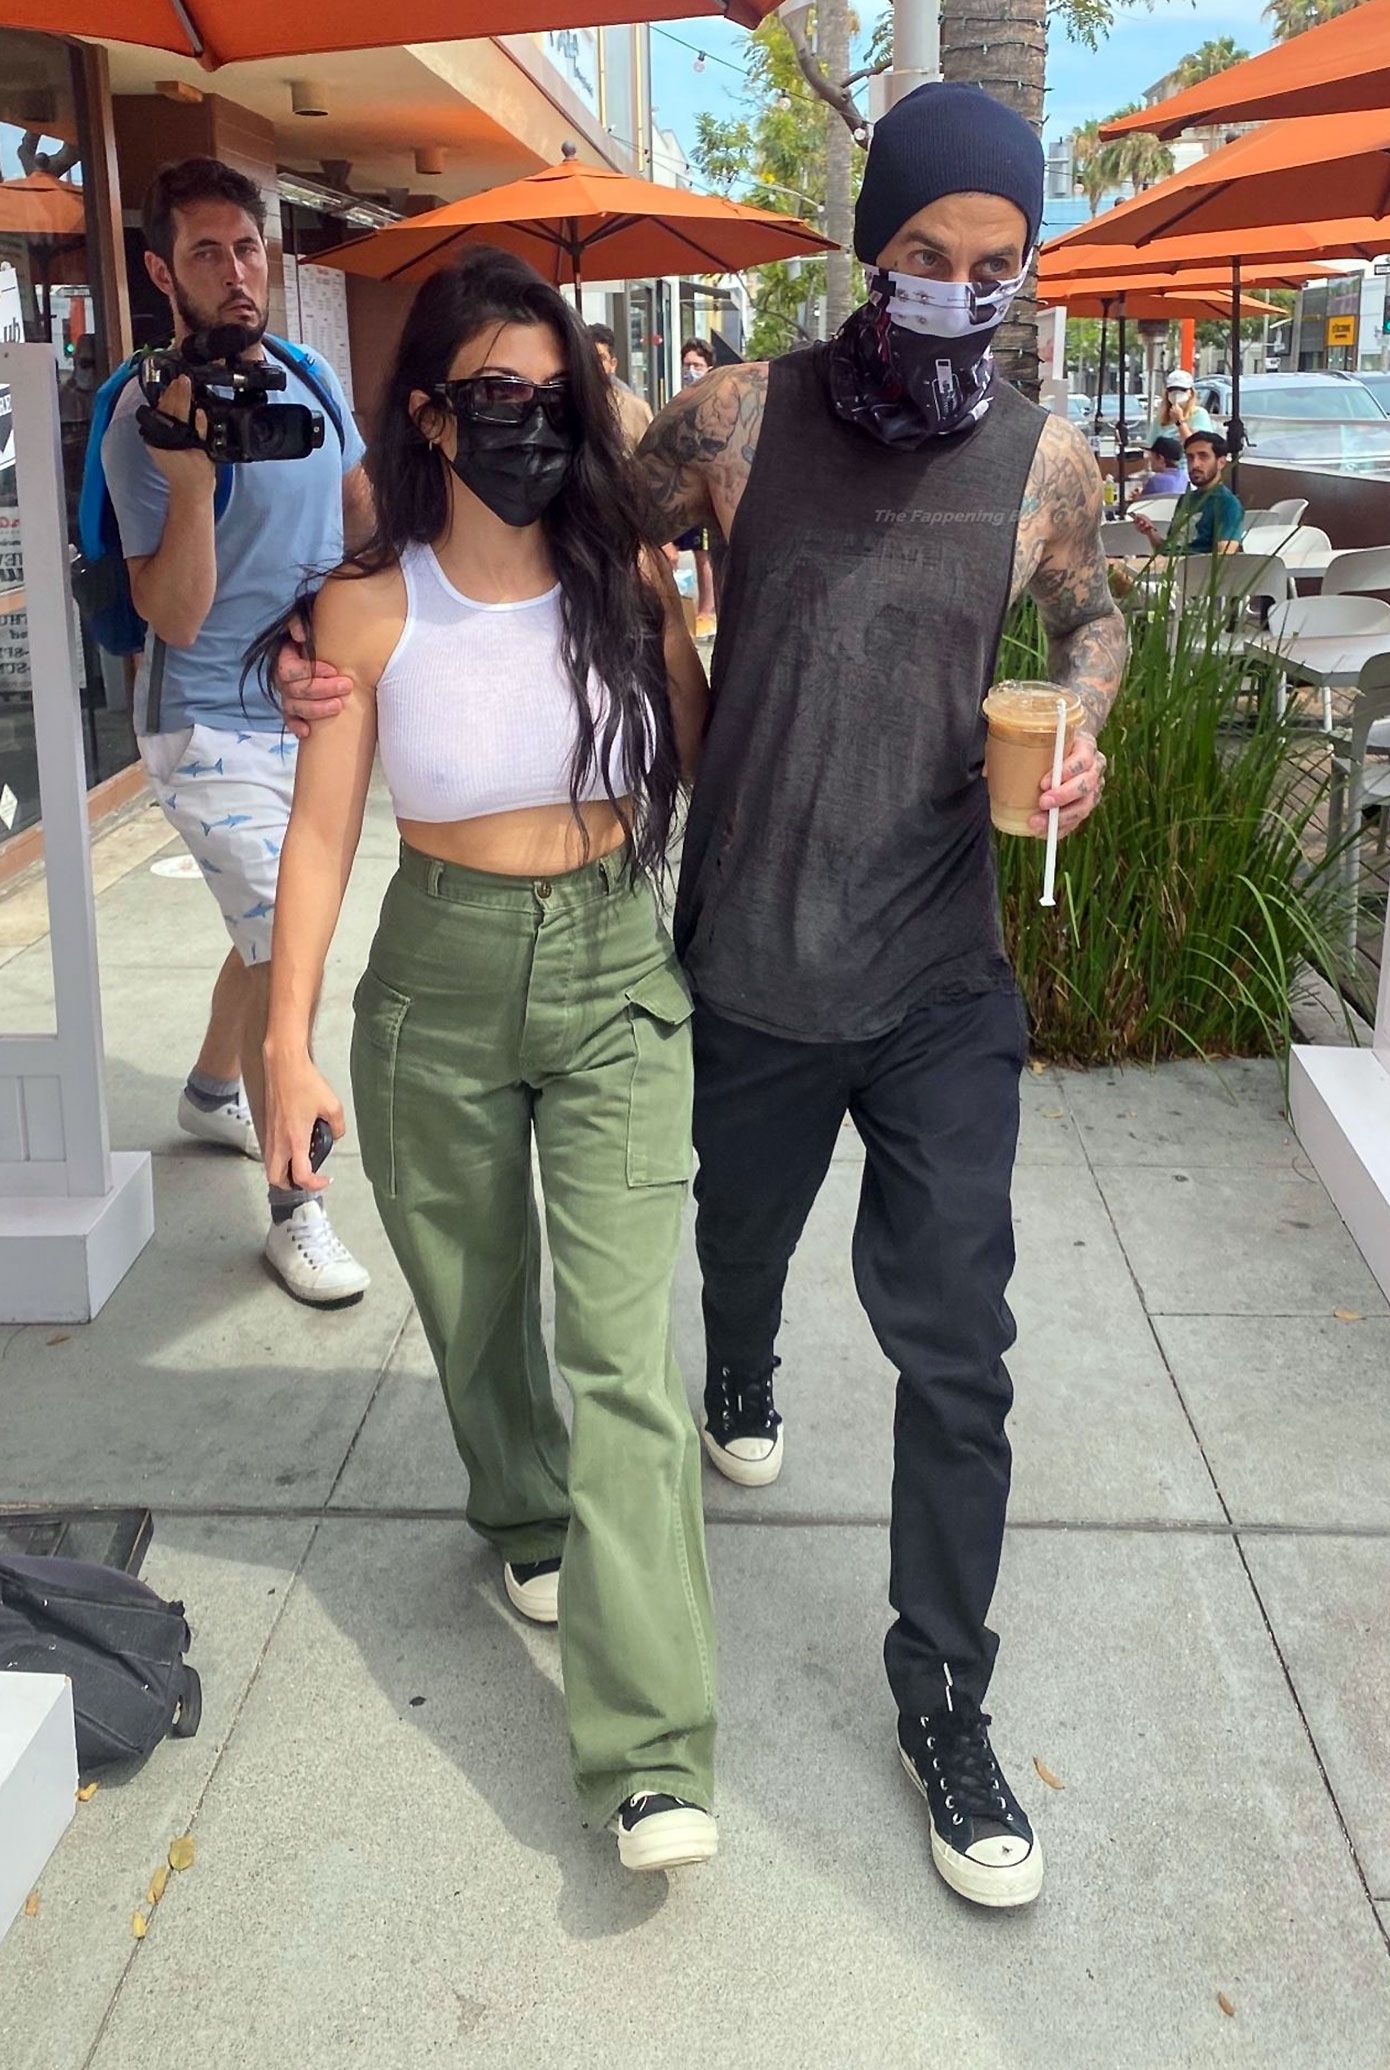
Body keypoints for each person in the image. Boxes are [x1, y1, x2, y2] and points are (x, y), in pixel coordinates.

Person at [275, 81, 1123, 1912]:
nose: (957, 286)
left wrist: (1083, 726)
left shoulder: (1042, 459)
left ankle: (941, 1698)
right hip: (741, 958)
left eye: (994, 261)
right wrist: (332, 636)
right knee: (727, 1255)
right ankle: (737, 1352)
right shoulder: (736, 420)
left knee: (956, 1346)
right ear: (870, 249)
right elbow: (553, 522)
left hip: (938, 970)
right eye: (923, 251)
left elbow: (1092, 610)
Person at [255, 247, 719, 1874]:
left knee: (619, 1355)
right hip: (435, 983)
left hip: (611, 973)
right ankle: (522, 1513)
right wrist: (285, 1046)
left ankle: (650, 1753)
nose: (527, 422)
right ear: (430, 417)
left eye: (551, 393)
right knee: (474, 1313)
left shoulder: (624, 579)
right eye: (492, 395)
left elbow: (705, 755)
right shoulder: (365, 609)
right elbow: (321, 838)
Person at [102, 156, 373, 1305]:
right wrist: (190, 480)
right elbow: (172, 613)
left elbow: (359, 515)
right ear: (163, 271)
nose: (235, 270)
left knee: (270, 928)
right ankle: (295, 1206)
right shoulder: (144, 416)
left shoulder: (310, 377)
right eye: (205, 252)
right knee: (283, 942)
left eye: (247, 247)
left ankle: (213, 1090)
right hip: (205, 718)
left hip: (306, 710)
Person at [1130, 429, 1242, 557]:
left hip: (1194, 569)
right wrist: (1151, 532)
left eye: (1203, 456)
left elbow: (1224, 559)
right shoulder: (1186, 499)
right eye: (1190, 458)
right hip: (1170, 567)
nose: (1195, 464)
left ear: (1221, 462)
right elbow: (1168, 551)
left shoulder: (1227, 504)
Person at [676, 337, 718, 636]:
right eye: (687, 365)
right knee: (680, 551)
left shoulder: (715, 404)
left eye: (697, 365)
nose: (691, 371)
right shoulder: (679, 403)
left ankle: (706, 611)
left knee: (704, 556)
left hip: (706, 494)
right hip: (682, 491)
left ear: (709, 368)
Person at [587, 322, 652, 450]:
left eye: (601, 358)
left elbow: (652, 457)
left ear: (613, 364)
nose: (594, 364)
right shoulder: (568, 407)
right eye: (589, 358)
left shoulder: (636, 410)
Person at [1148, 367, 1213, 445]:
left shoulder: (1199, 414)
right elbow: (1151, 445)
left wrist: (1179, 421)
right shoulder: (1161, 418)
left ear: (1190, 392)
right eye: (1172, 390)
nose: (1176, 393)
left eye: (1182, 389)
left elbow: (1197, 445)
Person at [1132, 431, 1187, 499]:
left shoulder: (1155, 480)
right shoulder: (1185, 477)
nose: (1150, 459)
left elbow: (1142, 502)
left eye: (1151, 455)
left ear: (1160, 458)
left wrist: (1137, 497)